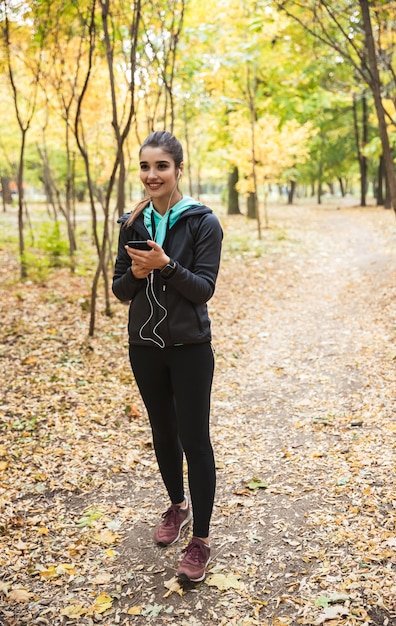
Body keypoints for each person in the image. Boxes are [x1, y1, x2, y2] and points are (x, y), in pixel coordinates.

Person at [112, 130, 223, 583]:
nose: (151, 175)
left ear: (178, 169)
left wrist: (166, 266)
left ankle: (201, 539)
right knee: (163, 433)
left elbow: (204, 289)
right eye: (144, 166)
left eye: (161, 166)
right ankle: (176, 507)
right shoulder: (131, 223)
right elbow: (120, 290)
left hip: (190, 349)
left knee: (195, 441)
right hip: (145, 348)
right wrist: (138, 272)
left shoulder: (202, 222)